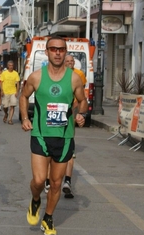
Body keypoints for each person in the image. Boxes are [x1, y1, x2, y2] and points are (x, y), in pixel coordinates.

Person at [19, 36, 88, 235]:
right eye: (53, 49)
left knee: (56, 183)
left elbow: (82, 102)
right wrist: (25, 117)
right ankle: (35, 199)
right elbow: (23, 96)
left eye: (61, 49)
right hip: (40, 134)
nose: (57, 52)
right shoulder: (36, 77)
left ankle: (48, 218)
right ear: (47, 52)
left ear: (66, 52)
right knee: (40, 181)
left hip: (65, 137)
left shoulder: (74, 78)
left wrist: (81, 115)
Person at [44, 54, 88, 198]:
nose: (69, 63)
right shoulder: (54, 75)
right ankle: (48, 180)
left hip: (70, 118)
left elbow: (82, 98)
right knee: (51, 153)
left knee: (70, 152)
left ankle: (67, 182)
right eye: (67, 61)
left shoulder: (78, 76)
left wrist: (79, 114)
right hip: (52, 119)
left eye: (71, 61)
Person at [0, 60, 20, 125]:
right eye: (10, 65)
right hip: (5, 92)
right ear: (7, 66)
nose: (11, 67)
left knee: (12, 106)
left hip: (13, 92)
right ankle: (6, 114)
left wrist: (17, 91)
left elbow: (18, 83)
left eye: (12, 65)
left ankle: (10, 119)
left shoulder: (15, 73)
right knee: (5, 106)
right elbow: (1, 82)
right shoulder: (4, 73)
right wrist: (2, 90)